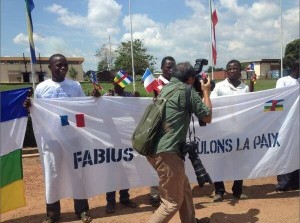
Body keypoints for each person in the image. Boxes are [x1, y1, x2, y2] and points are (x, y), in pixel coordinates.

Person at [24, 54, 100, 223]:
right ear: (50, 68)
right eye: (58, 65)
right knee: (52, 174)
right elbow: (37, 113)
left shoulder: (75, 86)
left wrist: (93, 99)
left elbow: (83, 108)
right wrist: (29, 107)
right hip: (51, 141)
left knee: (77, 174)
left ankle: (82, 210)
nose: (63, 68)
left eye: (65, 65)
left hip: (73, 138)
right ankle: (52, 214)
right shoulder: (42, 88)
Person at [146, 62, 212, 223]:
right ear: (190, 79)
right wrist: (205, 92)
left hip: (153, 149)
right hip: (167, 153)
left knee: (184, 187)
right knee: (171, 202)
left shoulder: (165, 88)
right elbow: (207, 117)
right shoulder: (187, 91)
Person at [210, 59, 249, 202]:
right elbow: (213, 104)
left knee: (239, 161)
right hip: (222, 130)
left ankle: (237, 190)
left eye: (235, 68)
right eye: (230, 68)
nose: (232, 71)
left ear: (240, 70)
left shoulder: (245, 88)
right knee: (219, 161)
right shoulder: (220, 87)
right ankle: (219, 191)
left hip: (239, 129)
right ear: (227, 71)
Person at [104, 82, 138, 214]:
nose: (121, 85)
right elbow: (100, 111)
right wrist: (105, 99)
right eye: (118, 82)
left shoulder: (129, 96)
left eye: (123, 83)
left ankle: (124, 198)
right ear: (113, 83)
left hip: (125, 139)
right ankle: (110, 202)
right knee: (111, 172)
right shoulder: (107, 96)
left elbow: (136, 109)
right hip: (111, 140)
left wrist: (137, 98)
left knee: (126, 170)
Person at [150, 56, 176, 208]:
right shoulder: (156, 84)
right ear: (162, 68)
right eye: (168, 67)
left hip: (172, 128)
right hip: (159, 129)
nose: (171, 70)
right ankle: (155, 192)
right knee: (158, 162)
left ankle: (170, 192)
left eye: (173, 67)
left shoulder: (175, 84)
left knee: (171, 162)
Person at [275, 58, 300, 192]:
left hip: (298, 122)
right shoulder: (283, 81)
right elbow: (279, 99)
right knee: (285, 151)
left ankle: (296, 182)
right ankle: (283, 183)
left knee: (297, 151)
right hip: (286, 123)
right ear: (297, 68)